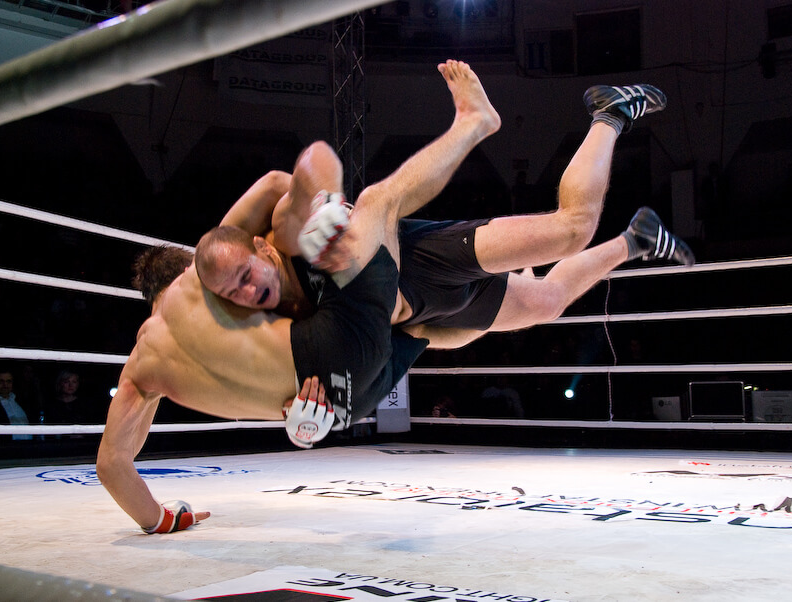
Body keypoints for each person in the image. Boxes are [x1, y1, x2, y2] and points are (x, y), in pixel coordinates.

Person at [96, 59, 502, 535]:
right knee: (382, 208)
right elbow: (277, 183)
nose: (238, 294)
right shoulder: (203, 277)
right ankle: (474, 137)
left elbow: (112, 465)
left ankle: (496, 291)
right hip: (324, 349)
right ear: (189, 267)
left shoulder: (141, 367)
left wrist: (162, 519)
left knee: (420, 327)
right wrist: (324, 206)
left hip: (331, 411)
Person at [200, 79, 694, 351]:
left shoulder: (284, 236)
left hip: (424, 258)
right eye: (232, 292)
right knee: (547, 301)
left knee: (571, 230)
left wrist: (327, 204)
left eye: (245, 275)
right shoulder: (260, 317)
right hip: (426, 312)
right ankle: (635, 239)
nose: (246, 292)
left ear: (261, 248)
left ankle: (608, 114)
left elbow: (294, 173)